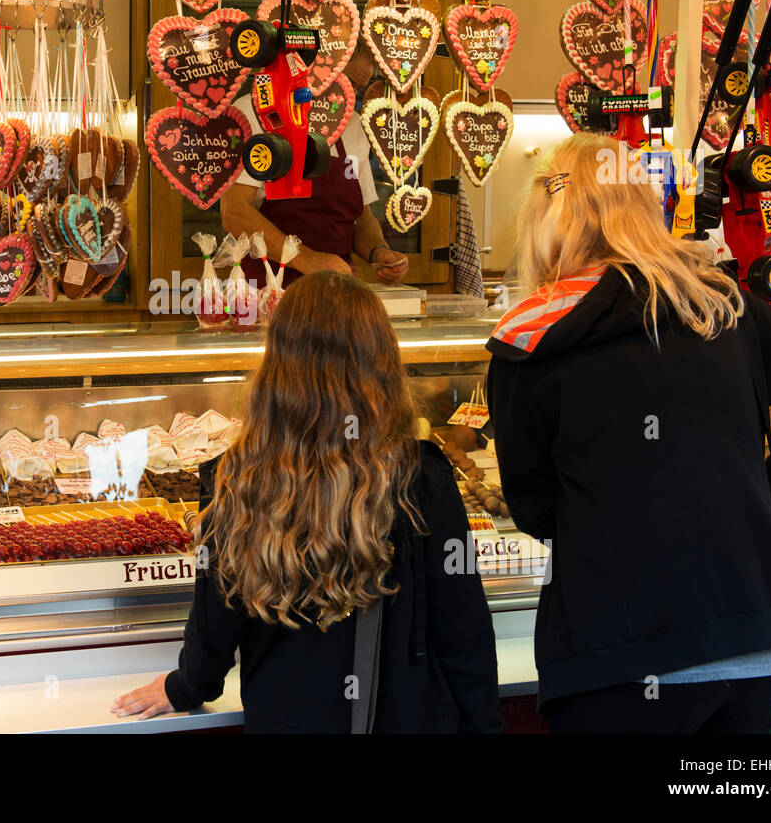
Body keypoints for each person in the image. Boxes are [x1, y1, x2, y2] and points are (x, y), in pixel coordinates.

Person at [486, 133, 771, 734]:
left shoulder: (531, 339)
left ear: (547, 216)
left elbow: (532, 508)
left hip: (617, 651)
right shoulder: (723, 307)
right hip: (755, 635)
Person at [112, 271, 502, 732]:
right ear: (381, 363)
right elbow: (464, 635)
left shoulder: (235, 477)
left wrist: (185, 686)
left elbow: (215, 625)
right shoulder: (420, 478)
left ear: (277, 365)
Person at [221, 97, 410, 286]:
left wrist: (378, 251)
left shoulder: (353, 122)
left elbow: (361, 218)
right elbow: (235, 213)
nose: (370, 71)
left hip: (336, 291)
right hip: (268, 291)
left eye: (373, 65)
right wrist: (307, 260)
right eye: (367, 64)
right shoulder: (255, 111)